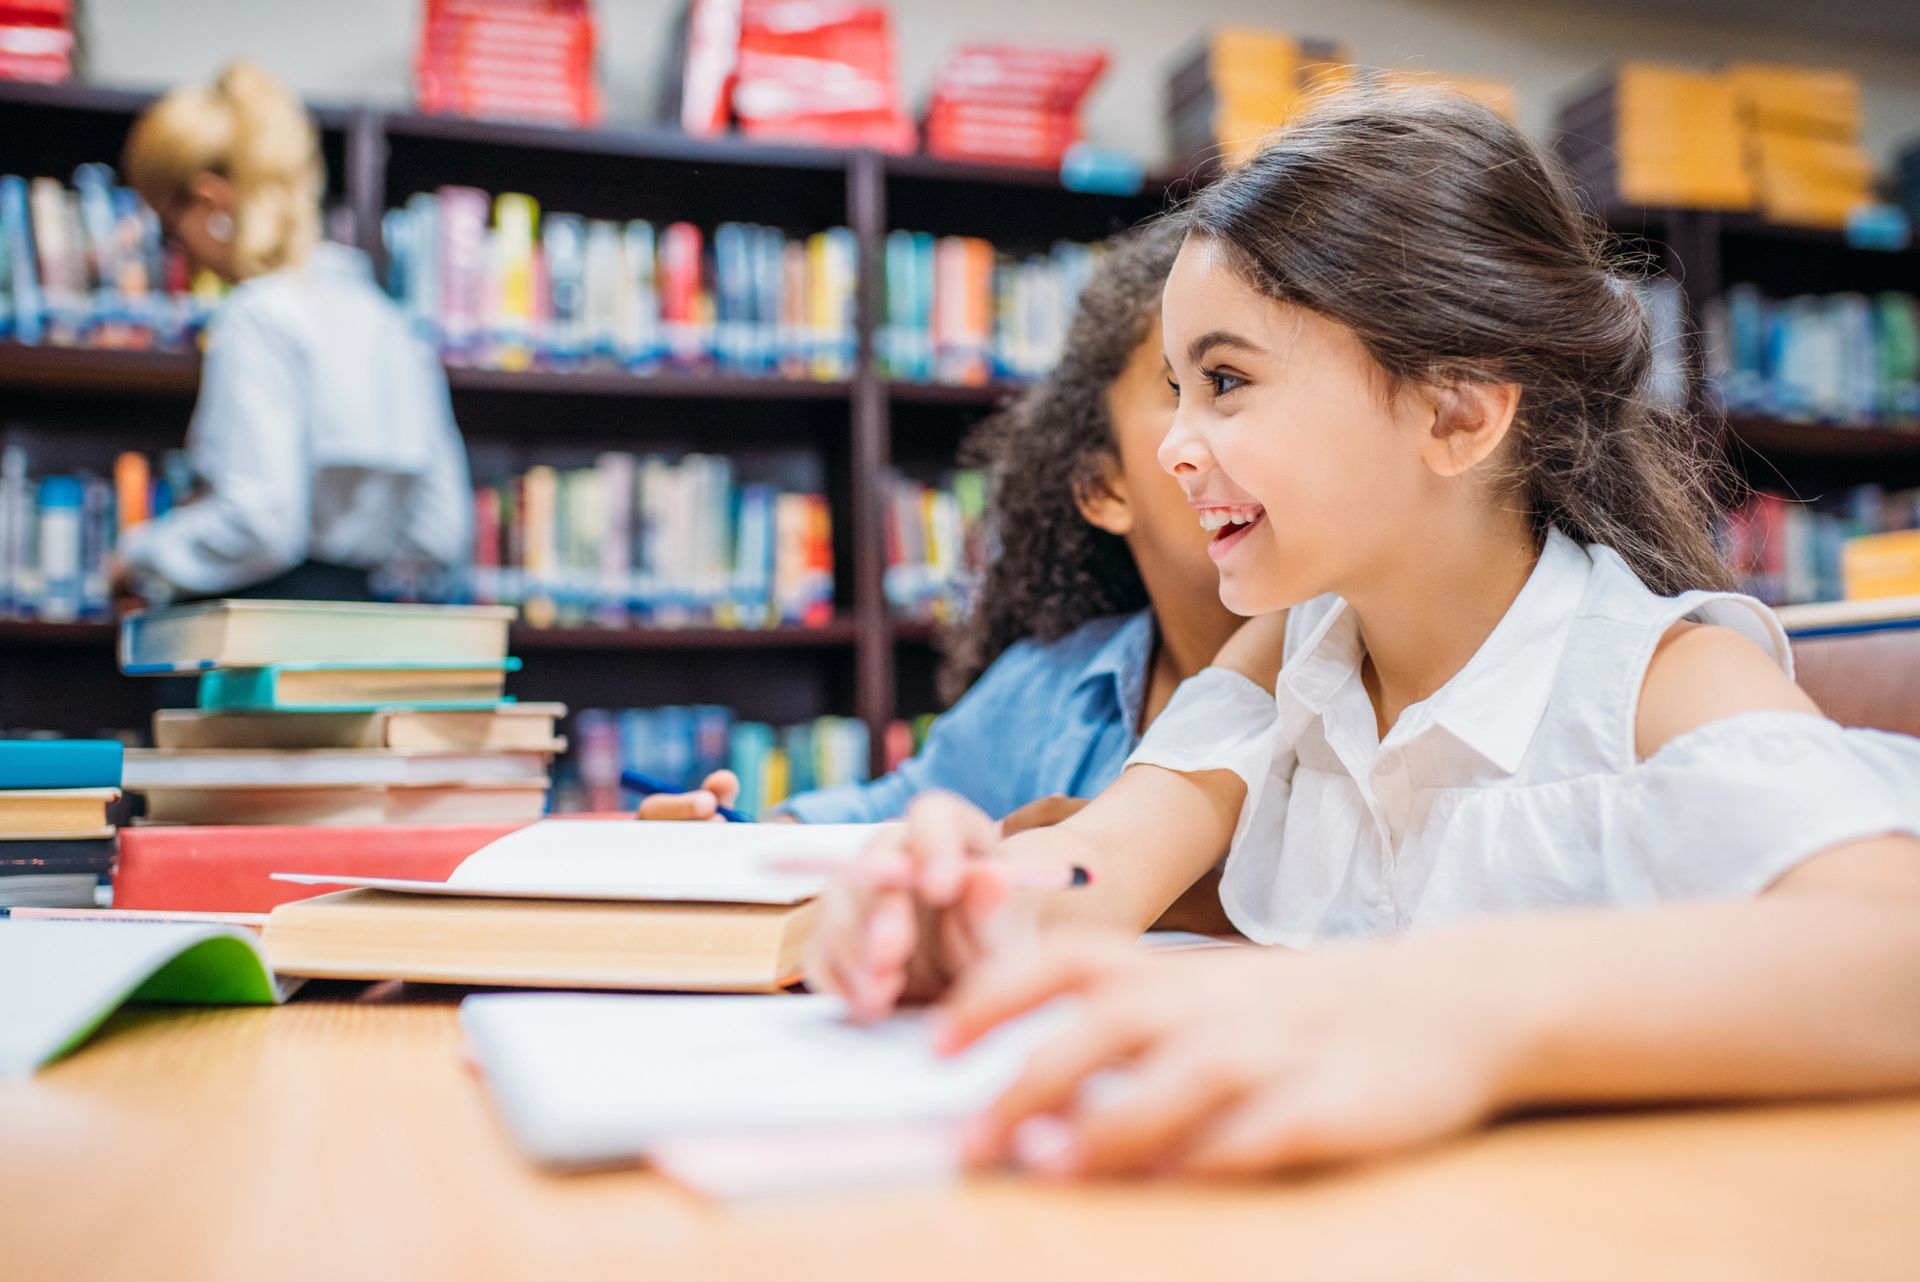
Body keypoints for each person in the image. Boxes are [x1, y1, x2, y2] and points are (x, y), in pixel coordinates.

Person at [807, 89, 1920, 1179]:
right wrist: (960, 906)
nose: (1179, 448)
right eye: (1176, 390)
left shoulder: (1664, 679)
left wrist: (1452, 1010)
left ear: (1456, 413)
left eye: (1228, 381)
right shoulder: (1285, 654)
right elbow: (1104, 861)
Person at [638, 221, 1241, 840]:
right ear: (1103, 489)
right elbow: (890, 816)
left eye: (1234, 382)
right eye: (1180, 387)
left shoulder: (1334, 674)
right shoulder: (1052, 689)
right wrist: (728, 839)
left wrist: (1141, 875)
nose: (1230, 434)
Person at [114, 62, 470, 604]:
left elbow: (262, 525)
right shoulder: (393, 323)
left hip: (258, 637)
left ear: (211, 201)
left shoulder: (256, 316)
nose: (177, 252)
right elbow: (441, 530)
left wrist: (141, 553)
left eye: (169, 225)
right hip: (356, 633)